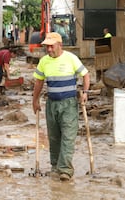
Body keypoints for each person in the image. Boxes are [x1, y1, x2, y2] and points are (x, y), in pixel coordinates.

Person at [32, 32, 90, 181]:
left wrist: (85, 92)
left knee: (68, 137)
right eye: (47, 47)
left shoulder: (71, 58)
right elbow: (39, 82)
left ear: (59, 45)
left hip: (69, 104)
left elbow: (86, 74)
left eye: (51, 46)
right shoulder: (44, 61)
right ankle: (55, 167)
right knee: (54, 137)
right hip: (51, 104)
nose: (49, 49)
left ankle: (65, 170)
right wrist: (35, 100)